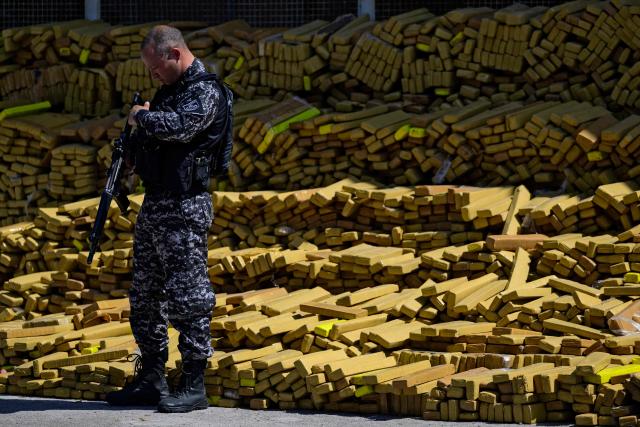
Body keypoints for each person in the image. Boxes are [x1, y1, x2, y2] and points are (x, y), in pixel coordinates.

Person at [106, 25, 227, 413]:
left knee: (189, 297)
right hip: (156, 205)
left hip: (185, 207)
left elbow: (179, 127)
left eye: (156, 68)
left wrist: (142, 117)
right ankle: (152, 376)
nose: (153, 76)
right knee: (144, 296)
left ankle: (193, 382)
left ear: (174, 54)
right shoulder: (169, 91)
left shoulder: (206, 90)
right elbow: (155, 139)